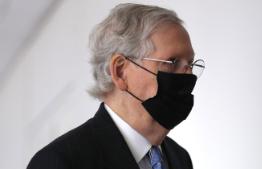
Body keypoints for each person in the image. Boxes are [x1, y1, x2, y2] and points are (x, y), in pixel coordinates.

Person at [27, 3, 205, 169]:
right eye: (171, 62)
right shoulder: (60, 161)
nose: (187, 75)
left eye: (190, 64)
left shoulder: (179, 158)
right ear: (120, 71)